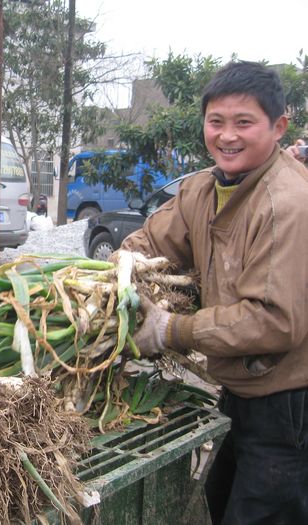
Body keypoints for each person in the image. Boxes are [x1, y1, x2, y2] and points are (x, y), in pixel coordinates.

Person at [122, 61, 308, 524]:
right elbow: (154, 241)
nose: (227, 136)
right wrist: (114, 272)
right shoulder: (203, 189)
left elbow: (273, 320)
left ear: (278, 127)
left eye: (244, 123)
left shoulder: (287, 203)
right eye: (216, 121)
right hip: (238, 388)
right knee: (221, 504)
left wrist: (171, 329)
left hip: (289, 400)